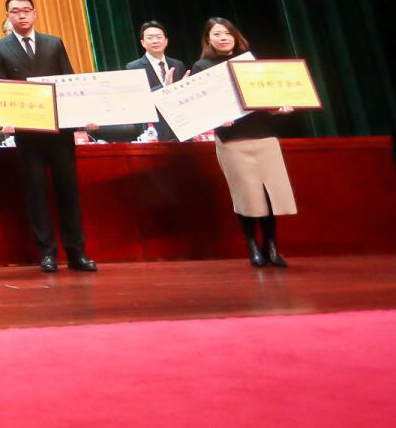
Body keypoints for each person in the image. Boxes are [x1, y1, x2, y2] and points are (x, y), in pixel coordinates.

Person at [0, 0, 95, 273]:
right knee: (36, 194)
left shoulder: (53, 43)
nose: (21, 15)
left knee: (68, 192)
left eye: (26, 10)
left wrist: (84, 116)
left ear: (34, 13)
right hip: (27, 134)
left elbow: (70, 81)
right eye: (15, 11)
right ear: (8, 16)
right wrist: (3, 118)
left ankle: (76, 253)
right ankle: (47, 253)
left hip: (59, 132)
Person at [190, 17, 299, 268]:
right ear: (208, 39)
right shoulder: (202, 67)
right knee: (246, 196)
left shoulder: (250, 62)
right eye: (217, 34)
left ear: (235, 36)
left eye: (228, 33)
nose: (223, 38)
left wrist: (280, 107)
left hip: (264, 135)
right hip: (232, 140)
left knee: (270, 195)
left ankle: (271, 246)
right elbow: (200, 107)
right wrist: (216, 118)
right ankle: (252, 246)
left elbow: (266, 99)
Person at [124, 20, 187, 143]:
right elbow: (137, 99)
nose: (155, 41)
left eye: (158, 37)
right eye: (150, 38)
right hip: (153, 129)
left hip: (179, 125)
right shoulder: (133, 67)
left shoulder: (177, 64)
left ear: (166, 41)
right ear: (143, 43)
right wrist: (164, 87)